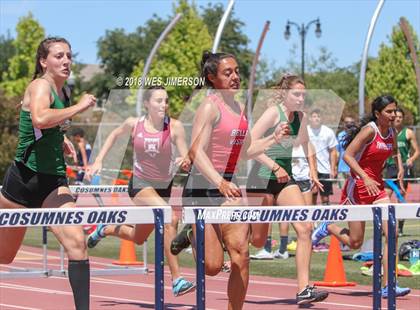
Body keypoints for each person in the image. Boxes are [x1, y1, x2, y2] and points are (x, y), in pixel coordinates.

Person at [0, 37, 96, 310]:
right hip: (23, 180)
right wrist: (80, 106)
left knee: (77, 243)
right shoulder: (40, 85)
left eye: (69, 55)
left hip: (53, 182)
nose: (66, 61)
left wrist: (60, 138)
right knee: (5, 256)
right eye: (59, 56)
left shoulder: (62, 90)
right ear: (44, 61)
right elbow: (40, 117)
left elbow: (44, 124)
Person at [86, 86, 195, 297]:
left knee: (138, 237)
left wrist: (184, 162)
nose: (164, 104)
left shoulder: (175, 127)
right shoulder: (134, 124)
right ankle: (177, 279)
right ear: (147, 104)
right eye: (158, 101)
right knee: (170, 217)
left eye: (166, 101)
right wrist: (98, 160)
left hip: (164, 187)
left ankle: (105, 229)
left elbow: (186, 157)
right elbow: (114, 135)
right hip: (140, 184)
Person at [171, 51, 260, 310]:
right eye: (227, 73)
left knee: (241, 255)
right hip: (202, 188)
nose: (235, 77)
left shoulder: (241, 108)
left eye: (236, 71)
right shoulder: (210, 106)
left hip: (228, 190)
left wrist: (274, 139)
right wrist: (219, 182)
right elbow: (195, 151)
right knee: (211, 267)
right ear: (212, 78)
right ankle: (190, 232)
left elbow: (246, 151)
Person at [312, 95, 411, 298]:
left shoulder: (392, 132)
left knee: (390, 234)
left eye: (395, 111)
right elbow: (347, 155)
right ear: (377, 114)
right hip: (357, 188)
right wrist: (364, 177)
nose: (394, 115)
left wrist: (399, 167)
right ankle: (328, 227)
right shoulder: (369, 131)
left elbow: (394, 153)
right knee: (355, 242)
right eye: (389, 112)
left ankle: (388, 285)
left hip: (378, 190)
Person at [246, 74, 328, 305]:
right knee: (258, 242)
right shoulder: (273, 113)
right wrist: (273, 165)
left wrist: (313, 171)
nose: (301, 98)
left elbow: (306, 142)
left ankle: (304, 289)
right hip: (261, 177)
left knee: (305, 227)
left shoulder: (300, 118)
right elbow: (248, 147)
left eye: (304, 94)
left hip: (285, 179)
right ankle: (223, 235)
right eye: (297, 94)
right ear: (285, 94)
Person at [384, 107, 419, 236]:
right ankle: (387, 227)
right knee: (385, 197)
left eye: (400, 117)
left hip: (403, 168)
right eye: (396, 116)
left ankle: (399, 228)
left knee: (400, 198)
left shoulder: (408, 133)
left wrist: (412, 159)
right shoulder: (388, 132)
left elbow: (417, 151)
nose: (398, 118)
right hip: (390, 168)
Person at [307, 109, 338, 205]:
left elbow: (333, 151)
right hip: (309, 169)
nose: (316, 119)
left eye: (318, 116)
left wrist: (333, 168)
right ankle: (311, 218)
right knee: (312, 194)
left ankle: (326, 219)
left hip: (324, 168)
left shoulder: (328, 132)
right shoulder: (305, 131)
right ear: (310, 118)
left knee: (325, 197)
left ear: (322, 118)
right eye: (314, 116)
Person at [337, 116, 355, 189]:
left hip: (353, 168)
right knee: (343, 192)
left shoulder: (356, 135)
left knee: (352, 191)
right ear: (343, 124)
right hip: (341, 168)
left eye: (351, 123)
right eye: (347, 122)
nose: (349, 124)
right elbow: (337, 152)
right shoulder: (340, 135)